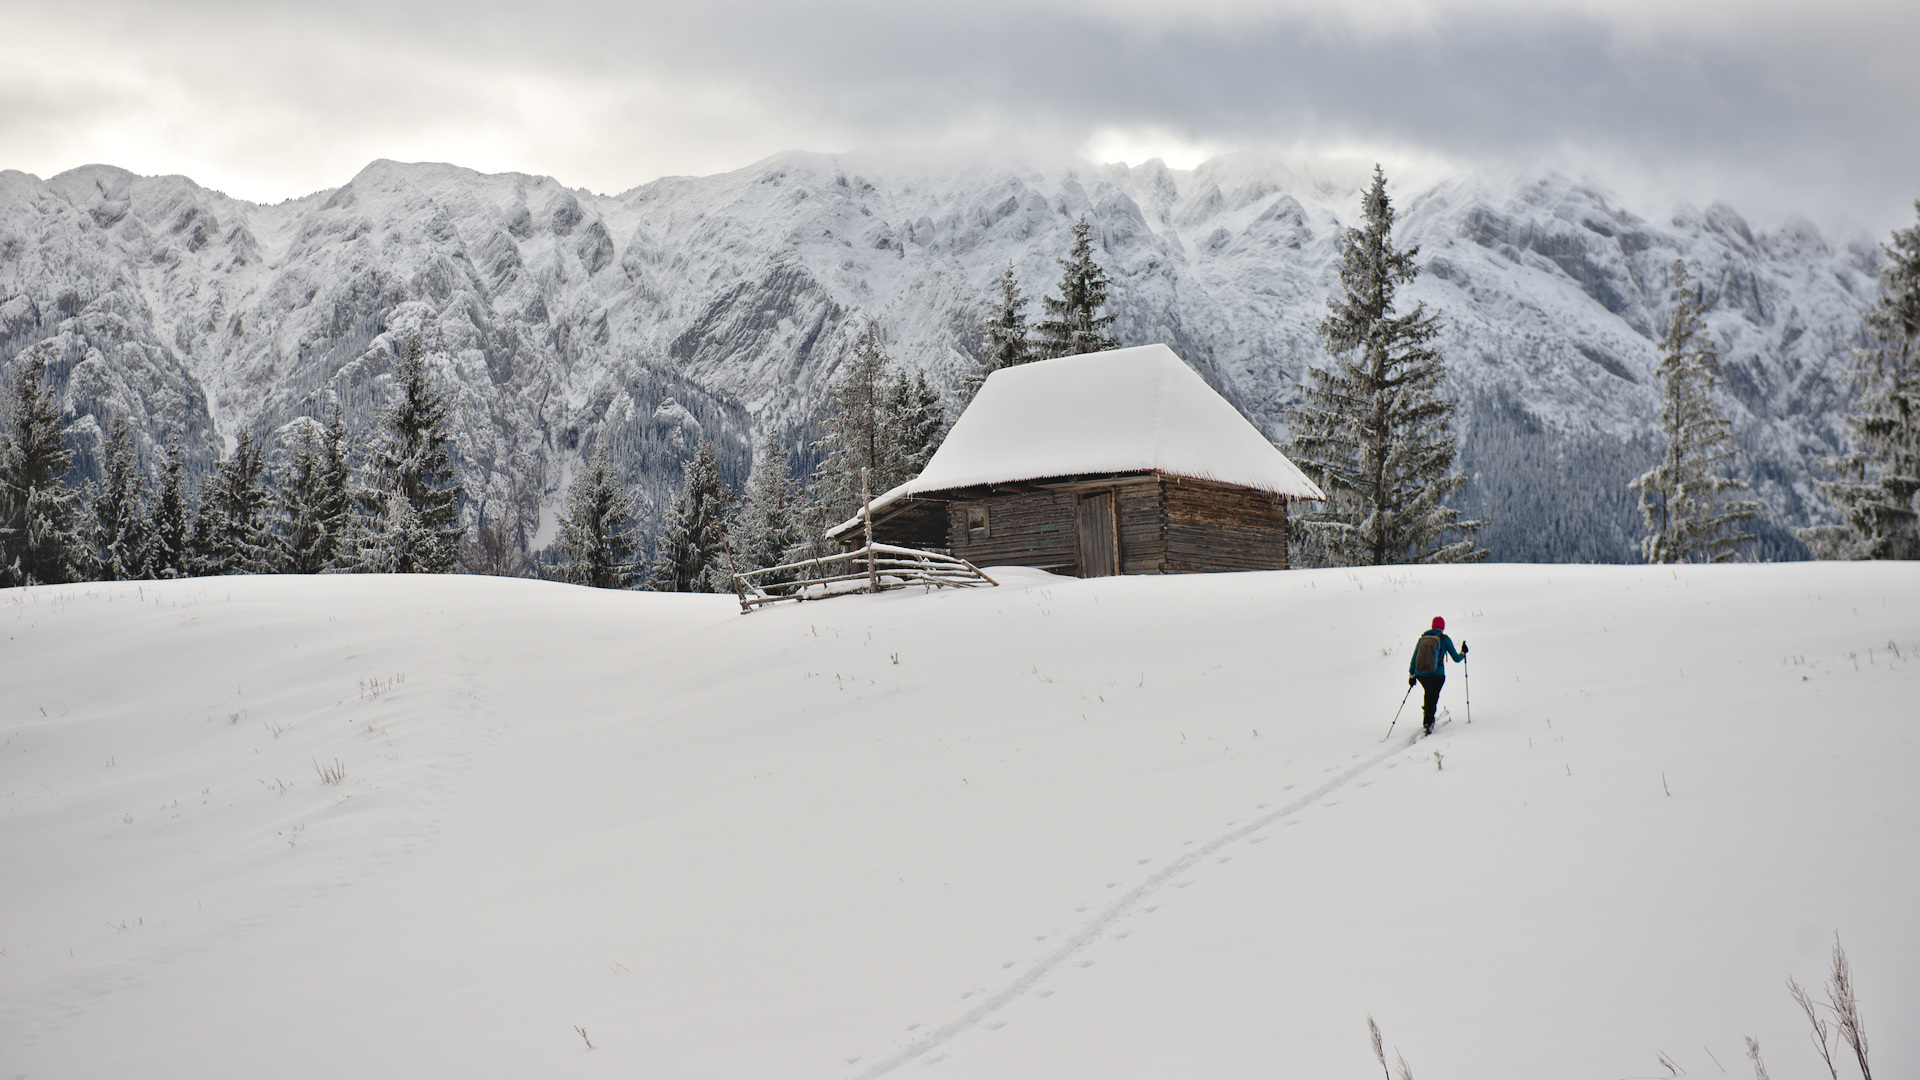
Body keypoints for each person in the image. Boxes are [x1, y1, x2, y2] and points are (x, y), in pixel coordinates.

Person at [1408, 616, 1467, 736]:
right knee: (1433, 696)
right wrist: (1463, 653)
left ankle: (1427, 717)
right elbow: (1456, 658)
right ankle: (1428, 723)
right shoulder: (1444, 639)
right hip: (1437, 675)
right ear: (1442, 627)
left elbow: (1415, 657)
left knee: (1428, 694)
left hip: (1421, 674)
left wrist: (1411, 675)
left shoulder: (1423, 638)